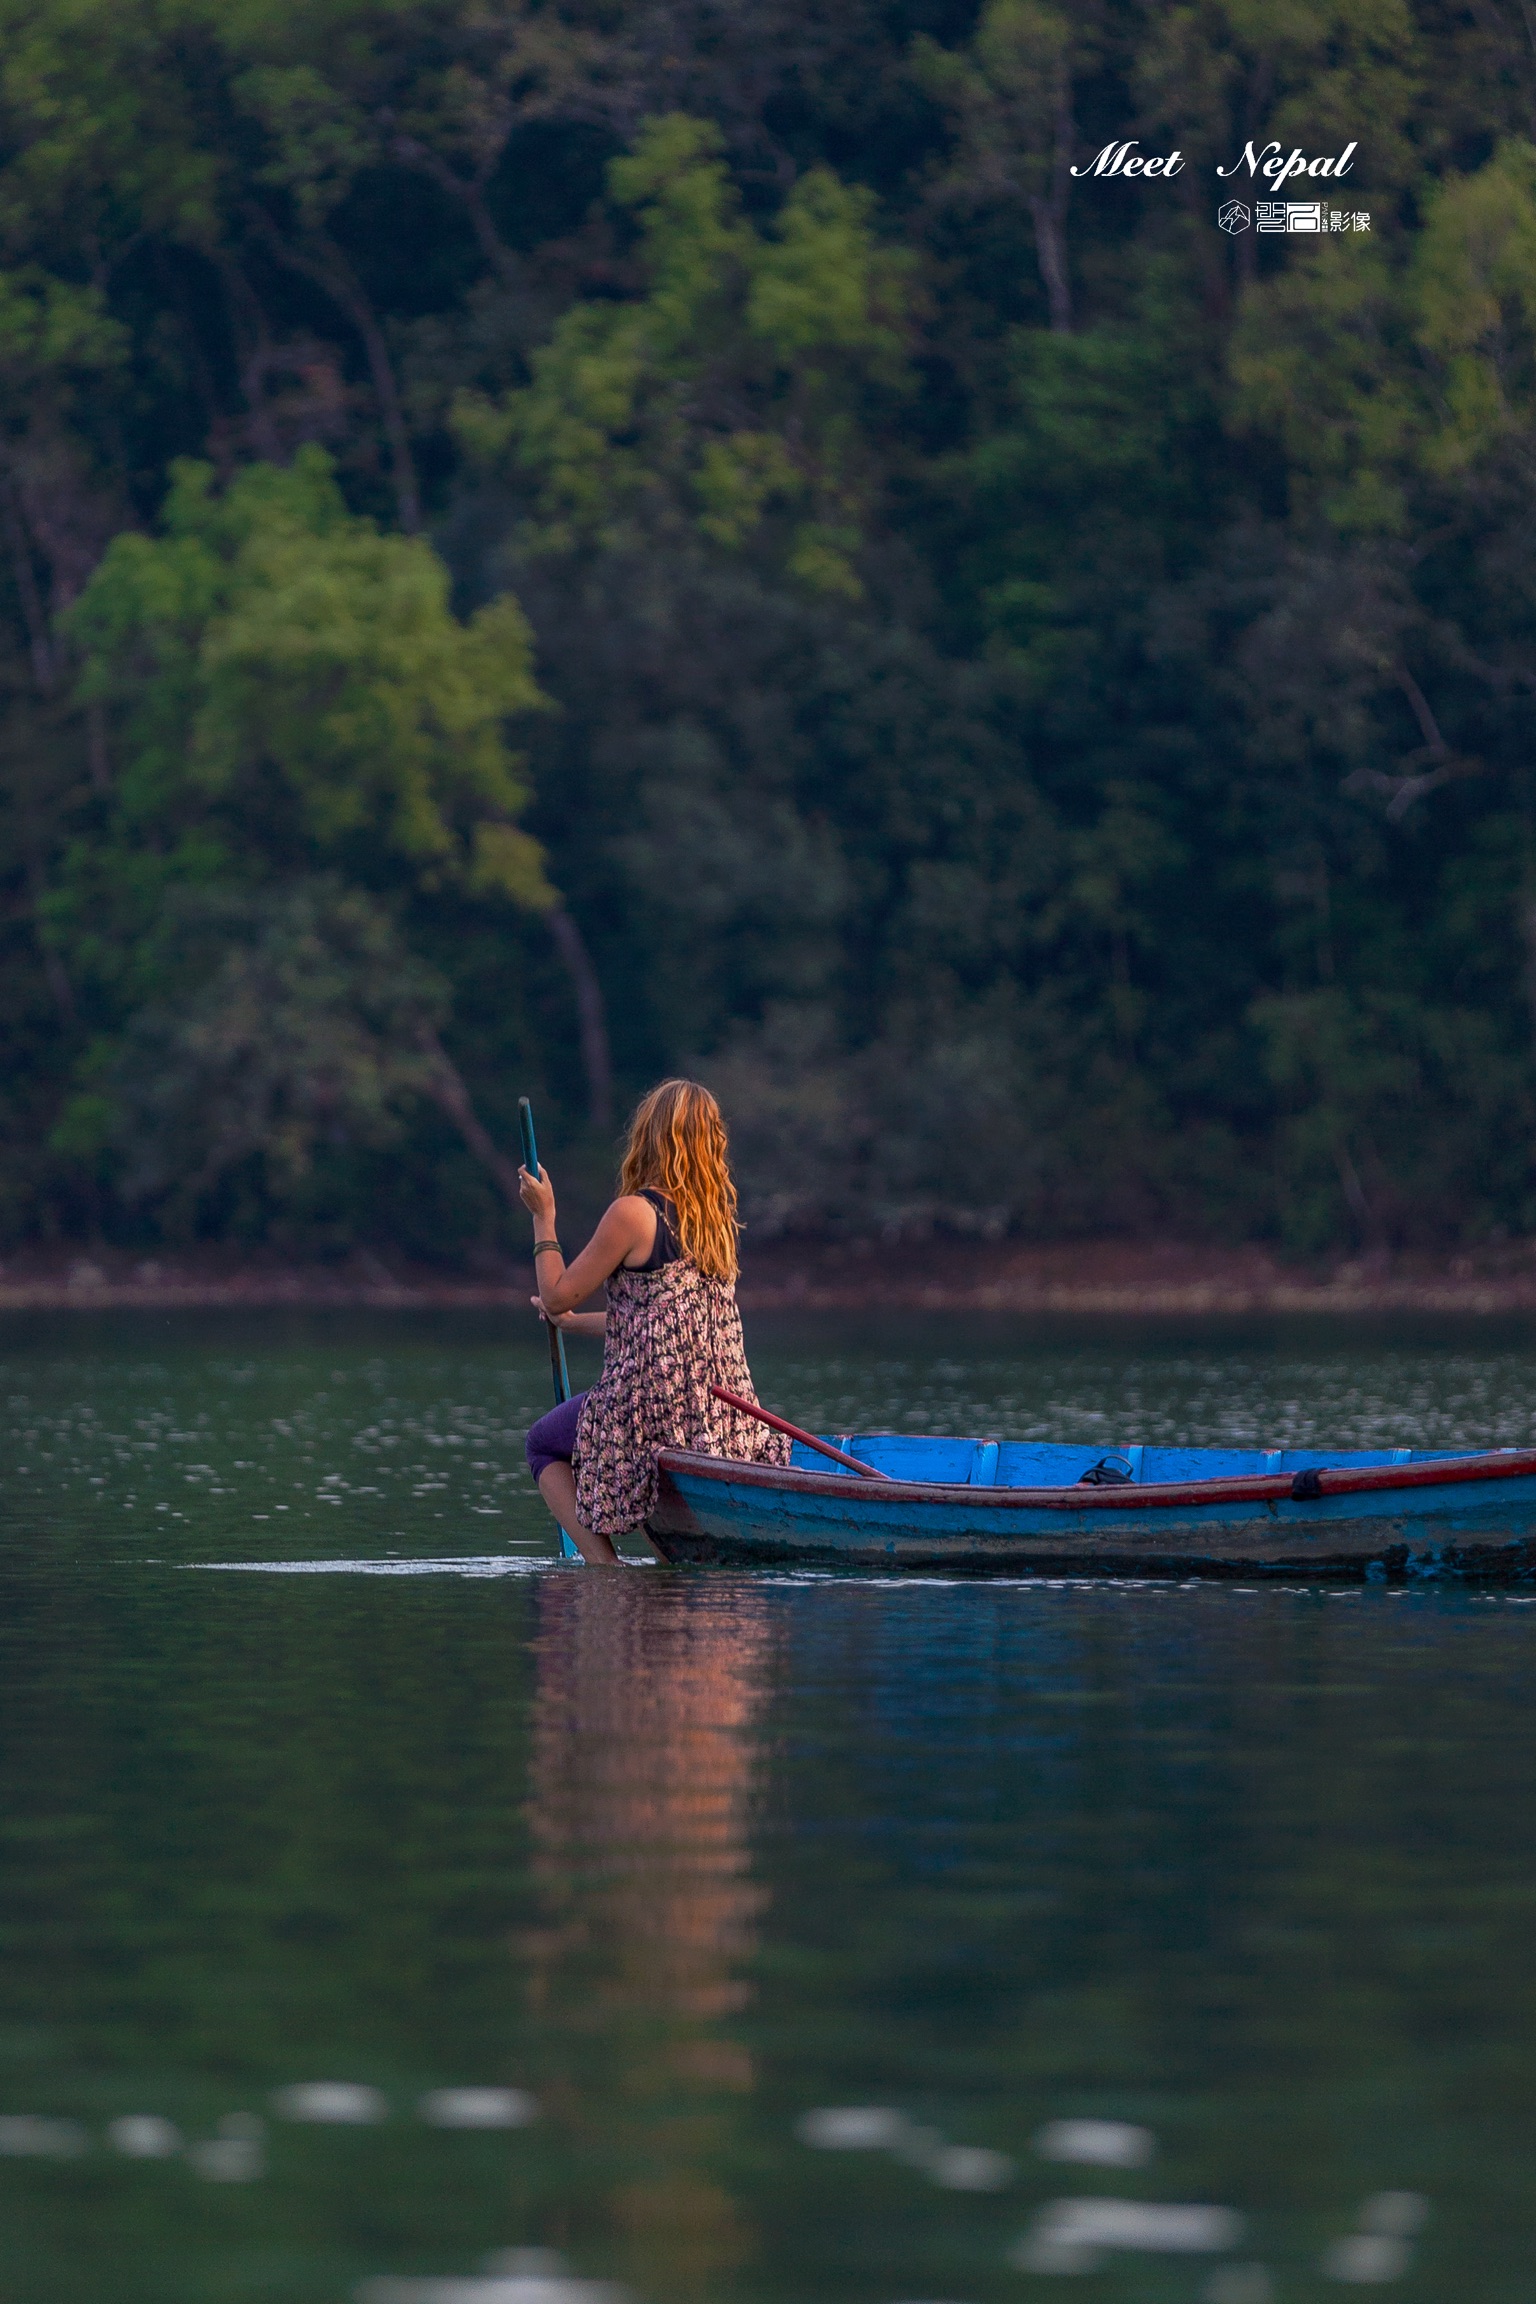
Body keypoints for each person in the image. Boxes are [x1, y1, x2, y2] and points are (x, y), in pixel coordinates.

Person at [521, 1078, 790, 1563]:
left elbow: (555, 1292)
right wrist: (571, 1322)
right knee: (657, 1475)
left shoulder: (634, 1213)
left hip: (652, 1405)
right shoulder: (715, 1222)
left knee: (542, 1443)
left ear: (649, 1136)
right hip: (717, 1409)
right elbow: (660, 1322)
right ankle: (668, 1563)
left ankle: (607, 1570)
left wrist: (544, 1215)